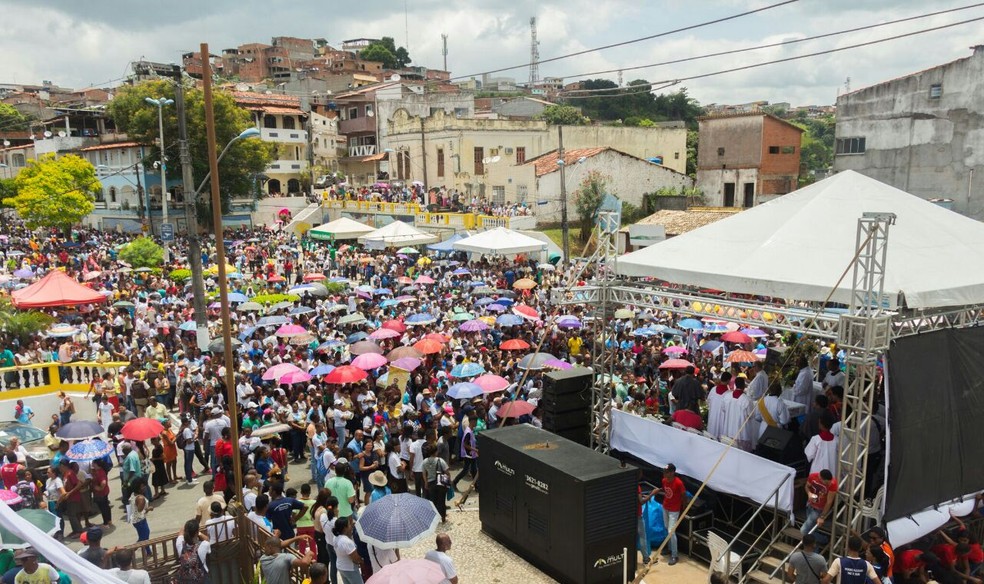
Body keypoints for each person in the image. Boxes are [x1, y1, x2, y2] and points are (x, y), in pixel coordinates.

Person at [801, 469, 837, 543]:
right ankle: (816, 549)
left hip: (819, 509)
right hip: (810, 505)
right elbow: (807, 486)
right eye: (826, 482)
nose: (828, 483)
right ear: (821, 479)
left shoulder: (833, 484)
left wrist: (822, 516)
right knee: (812, 530)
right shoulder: (813, 477)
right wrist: (809, 494)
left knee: (804, 530)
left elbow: (829, 502)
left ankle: (824, 540)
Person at [661, 463, 687, 566]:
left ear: (672, 472)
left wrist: (684, 509)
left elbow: (684, 496)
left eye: (667, 472)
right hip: (665, 507)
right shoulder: (663, 481)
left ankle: (674, 555)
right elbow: (666, 493)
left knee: (671, 531)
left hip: (674, 510)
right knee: (667, 528)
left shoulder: (679, 483)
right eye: (664, 472)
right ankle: (670, 548)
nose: (665, 474)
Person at [173, 519, 210, 583]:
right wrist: (199, 533)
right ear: (196, 532)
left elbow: (181, 531)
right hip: (202, 579)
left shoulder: (180, 544)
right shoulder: (203, 545)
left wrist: (188, 528)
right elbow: (207, 539)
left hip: (186, 580)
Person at [421, 442, 450, 523]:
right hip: (440, 483)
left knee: (433, 501)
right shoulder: (440, 460)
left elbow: (424, 473)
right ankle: (443, 518)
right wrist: (448, 481)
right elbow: (447, 472)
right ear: (436, 452)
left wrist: (426, 483)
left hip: (430, 483)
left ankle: (434, 519)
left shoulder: (425, 461)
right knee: (441, 501)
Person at [331, 517, 365, 584]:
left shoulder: (335, 537)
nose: (351, 526)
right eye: (349, 524)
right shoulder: (347, 542)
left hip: (341, 566)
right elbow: (355, 558)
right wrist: (362, 562)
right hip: (350, 568)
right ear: (345, 528)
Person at [128, 478, 152, 548]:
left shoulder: (133, 494)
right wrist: (148, 509)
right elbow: (140, 512)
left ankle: (148, 552)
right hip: (140, 521)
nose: (144, 487)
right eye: (142, 486)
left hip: (135, 520)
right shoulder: (141, 498)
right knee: (144, 537)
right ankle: (131, 549)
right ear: (138, 488)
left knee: (144, 536)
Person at [178, 415, 198, 485]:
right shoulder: (186, 430)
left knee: (187, 464)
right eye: (188, 422)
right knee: (189, 464)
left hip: (187, 449)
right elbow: (189, 441)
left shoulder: (184, 429)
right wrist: (195, 438)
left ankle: (188, 478)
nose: (189, 423)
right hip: (189, 449)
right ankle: (190, 480)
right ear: (185, 423)